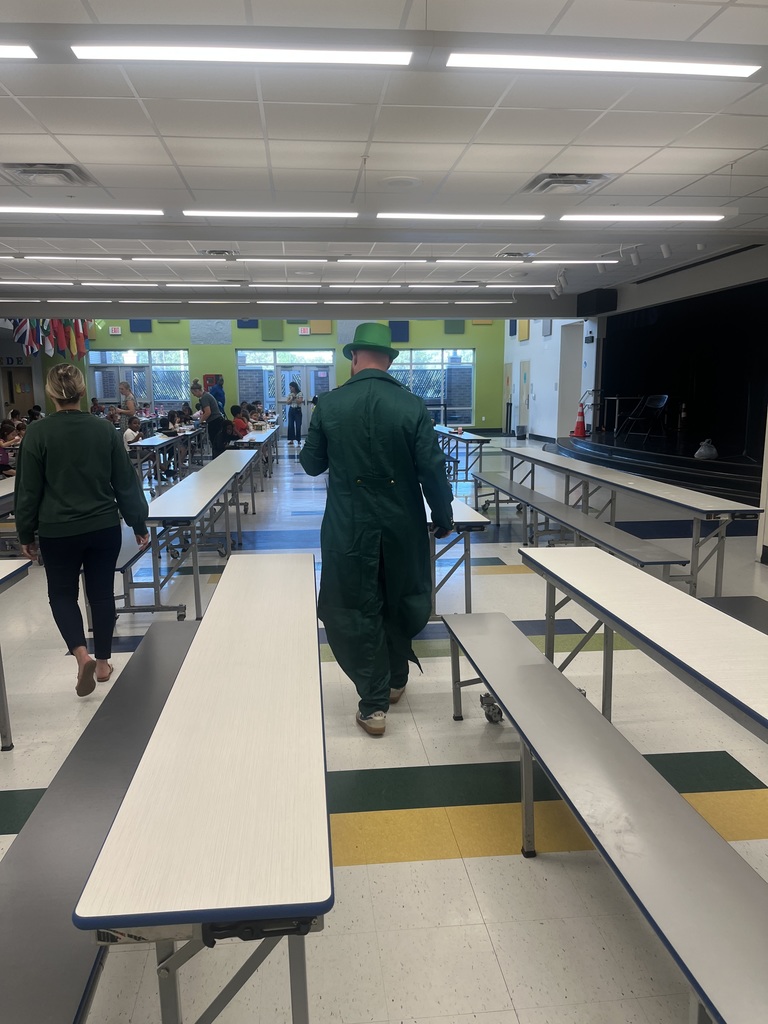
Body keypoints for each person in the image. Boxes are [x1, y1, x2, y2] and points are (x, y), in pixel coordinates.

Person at [299, 322, 454, 737]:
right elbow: (433, 470)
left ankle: (372, 706)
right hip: (402, 525)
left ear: (354, 357)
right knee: (398, 596)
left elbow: (311, 464)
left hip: (348, 527)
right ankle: (397, 680)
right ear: (389, 359)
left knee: (356, 607)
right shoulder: (412, 405)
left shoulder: (330, 404)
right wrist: (443, 516)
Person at [14, 364, 149, 698]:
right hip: (103, 526)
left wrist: (26, 533)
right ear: (82, 390)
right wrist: (138, 522)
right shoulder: (104, 430)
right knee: (101, 594)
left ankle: (80, 654)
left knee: (62, 594)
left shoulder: (37, 433)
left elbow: (28, 490)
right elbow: (125, 482)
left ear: (50, 393)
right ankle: (103, 663)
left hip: (57, 530)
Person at [190, 378, 226, 458]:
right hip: (216, 421)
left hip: (215, 422)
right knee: (217, 443)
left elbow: (208, 412)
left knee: (216, 444)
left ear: (197, 390)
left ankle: (217, 460)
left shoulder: (204, 398)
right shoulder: (207, 395)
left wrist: (200, 421)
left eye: (193, 393)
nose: (194, 395)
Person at [281, 381, 303, 446]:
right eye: (290, 387)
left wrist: (295, 398)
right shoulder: (290, 394)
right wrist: (291, 399)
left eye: (291, 387)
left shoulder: (300, 393)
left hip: (298, 410)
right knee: (290, 425)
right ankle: (291, 440)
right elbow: (288, 402)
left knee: (298, 425)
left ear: (294, 387)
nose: (290, 389)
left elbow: (300, 401)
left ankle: (298, 440)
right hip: (291, 410)